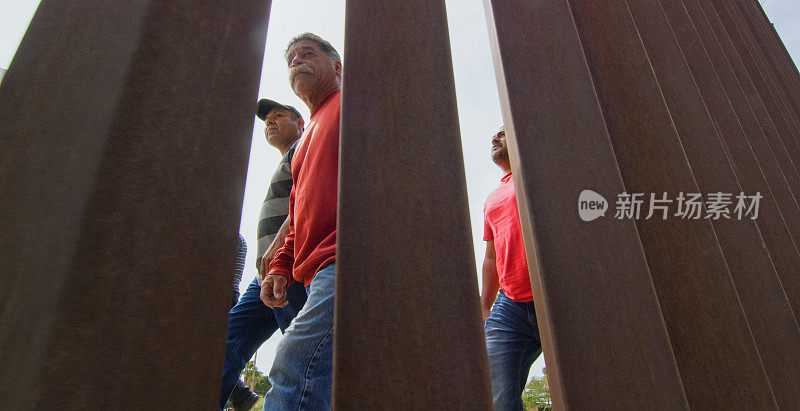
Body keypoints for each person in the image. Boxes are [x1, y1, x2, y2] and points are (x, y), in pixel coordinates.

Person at [260, 32, 342, 410]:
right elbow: (297, 214)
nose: (297, 61)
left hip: (343, 258)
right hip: (312, 273)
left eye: (308, 54)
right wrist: (280, 264)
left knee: (294, 364)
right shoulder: (306, 138)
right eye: (291, 58)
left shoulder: (353, 101)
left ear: (338, 67)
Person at [219, 99, 308, 411]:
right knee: (226, 343)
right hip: (263, 277)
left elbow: (306, 198)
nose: (270, 122)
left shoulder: (305, 145)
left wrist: (281, 245)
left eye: (278, 116)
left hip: (291, 266)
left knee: (301, 357)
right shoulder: (285, 158)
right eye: (267, 119)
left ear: (299, 123)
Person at [480, 126, 542, 411]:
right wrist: (485, 303)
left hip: (554, 296)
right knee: (496, 396)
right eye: (494, 134)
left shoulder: (539, 174)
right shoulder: (492, 198)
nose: (495, 138)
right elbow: (491, 257)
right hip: (510, 306)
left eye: (503, 133)